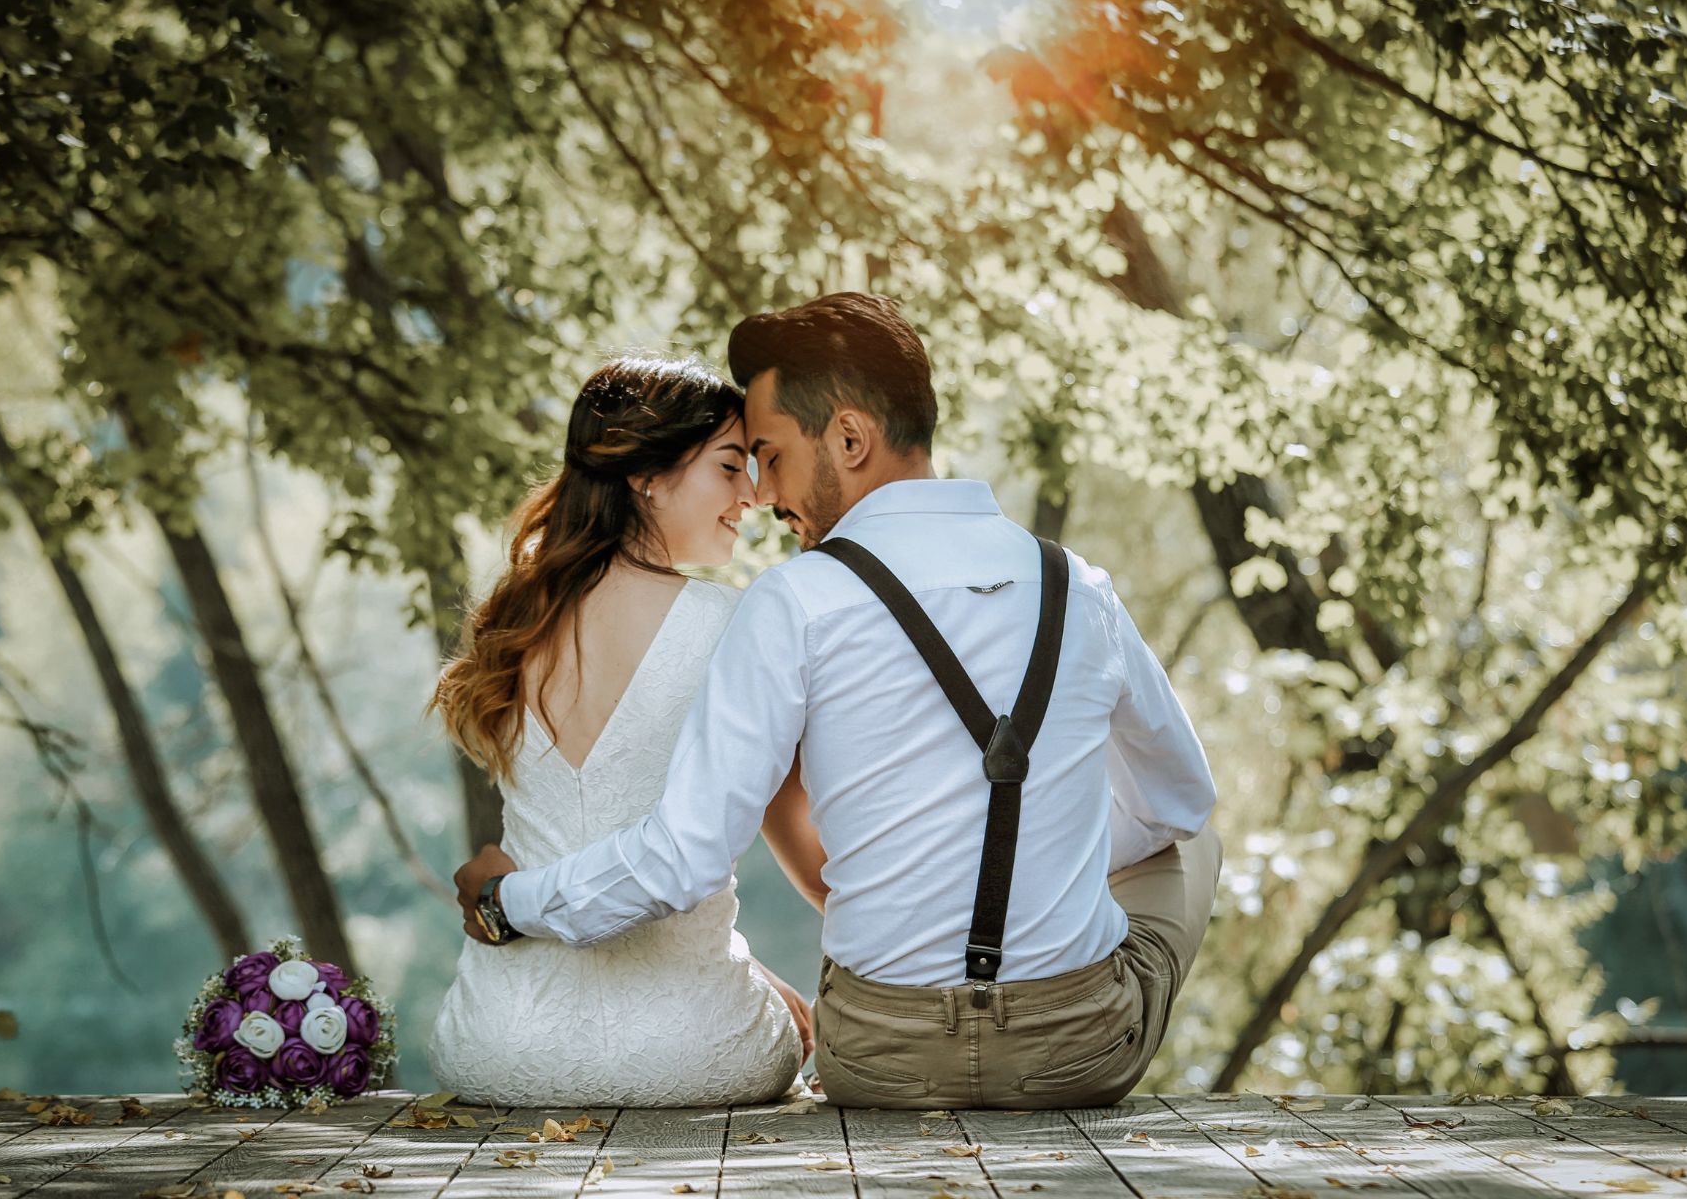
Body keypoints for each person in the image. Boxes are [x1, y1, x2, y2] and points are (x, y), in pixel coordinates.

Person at [454, 293, 1223, 1108]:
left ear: (850, 438)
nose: (763, 492)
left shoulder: (791, 603)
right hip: (1077, 1053)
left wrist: (511, 900)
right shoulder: (1080, 588)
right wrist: (1045, 860)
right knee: (1190, 836)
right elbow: (1178, 801)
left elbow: (685, 855)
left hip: (877, 1059)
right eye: (741, 462)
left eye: (770, 455)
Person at [427, 355, 818, 1107]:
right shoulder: (733, 623)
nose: (753, 495)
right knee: (785, 1031)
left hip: (498, 1046)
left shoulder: (513, 624)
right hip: (693, 1050)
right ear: (646, 475)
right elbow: (783, 854)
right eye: (730, 466)